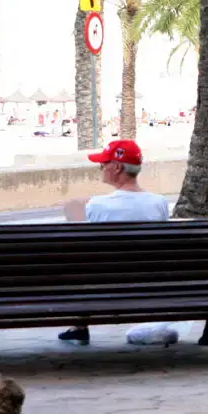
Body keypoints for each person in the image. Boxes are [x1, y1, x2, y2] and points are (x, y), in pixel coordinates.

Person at [60, 140, 169, 344]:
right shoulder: (160, 203)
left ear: (117, 167)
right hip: (152, 283)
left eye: (103, 164)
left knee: (79, 265)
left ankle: (80, 326)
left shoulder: (97, 205)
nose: (101, 168)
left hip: (105, 286)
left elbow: (72, 216)